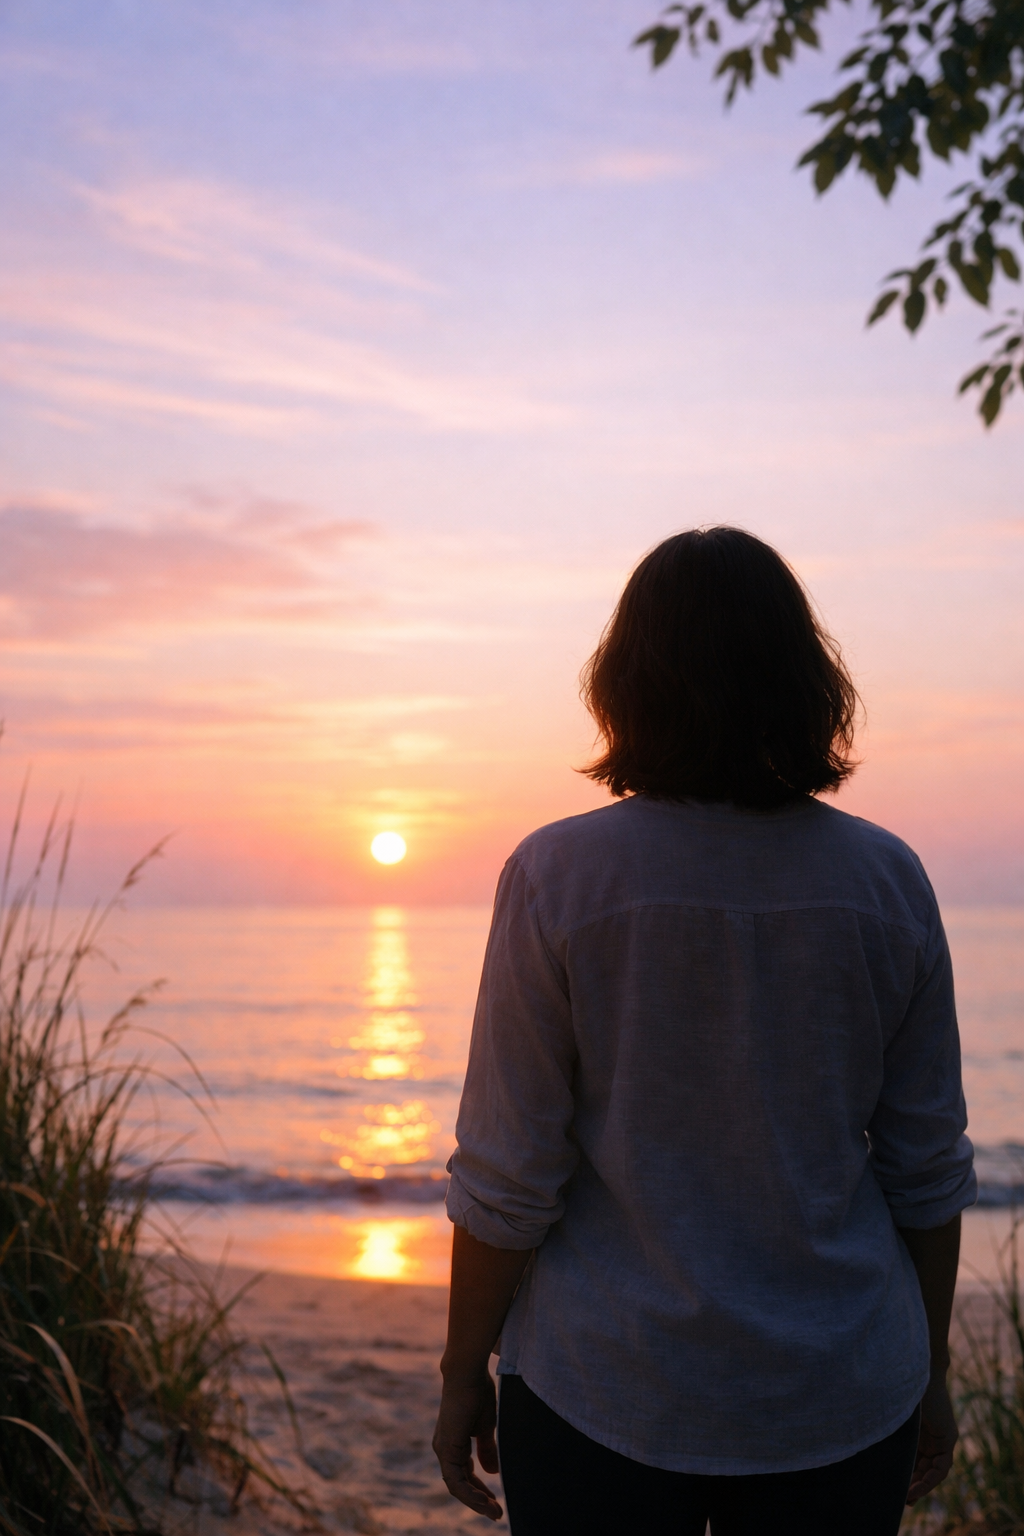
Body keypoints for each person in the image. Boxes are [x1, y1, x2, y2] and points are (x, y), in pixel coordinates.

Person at [432, 527, 975, 1536]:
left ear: (624, 682)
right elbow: (925, 1167)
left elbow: (510, 1171)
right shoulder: (886, 881)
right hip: (841, 1384)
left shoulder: (559, 877)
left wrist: (463, 1370)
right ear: (806, 680)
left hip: (604, 1383)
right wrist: (929, 1370)